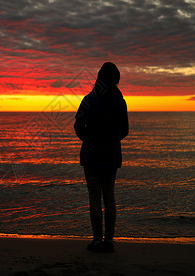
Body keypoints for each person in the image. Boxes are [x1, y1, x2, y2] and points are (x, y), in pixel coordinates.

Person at [74, 62, 129, 252]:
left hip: (91, 154)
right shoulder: (120, 101)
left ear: (99, 78)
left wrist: (89, 139)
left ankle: (97, 240)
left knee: (95, 197)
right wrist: (112, 140)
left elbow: (78, 125)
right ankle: (110, 240)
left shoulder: (90, 99)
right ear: (116, 79)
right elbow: (125, 130)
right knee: (109, 196)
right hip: (111, 154)